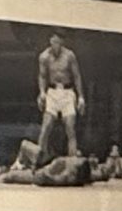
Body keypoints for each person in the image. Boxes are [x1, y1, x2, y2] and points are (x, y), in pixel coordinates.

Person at [33, 32, 85, 168]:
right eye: (53, 41)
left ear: (61, 42)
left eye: (58, 41)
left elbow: (77, 76)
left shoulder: (69, 55)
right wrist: (42, 93)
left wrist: (81, 97)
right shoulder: (44, 56)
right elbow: (42, 76)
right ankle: (37, 161)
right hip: (52, 93)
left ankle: (73, 163)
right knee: (46, 126)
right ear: (50, 40)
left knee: (70, 128)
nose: (55, 44)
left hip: (67, 92)